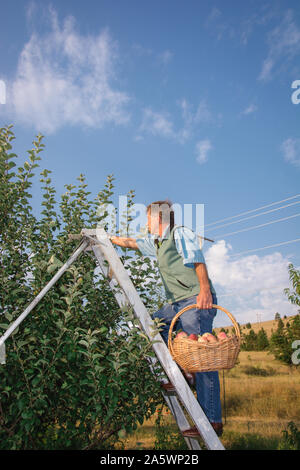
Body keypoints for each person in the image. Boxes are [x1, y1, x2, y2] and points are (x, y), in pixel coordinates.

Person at [110, 199, 223, 437]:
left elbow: (198, 260)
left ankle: (212, 420)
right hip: (177, 303)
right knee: (153, 325)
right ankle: (183, 370)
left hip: (195, 299)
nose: (147, 223)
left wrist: (204, 291)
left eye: (148, 218)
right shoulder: (158, 243)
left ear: (158, 218)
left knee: (202, 359)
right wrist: (109, 239)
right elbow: (132, 243)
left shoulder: (179, 234)